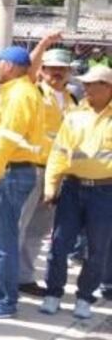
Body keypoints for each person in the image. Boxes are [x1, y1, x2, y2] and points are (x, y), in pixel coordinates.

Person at [0, 45, 45, 319]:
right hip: (11, 171)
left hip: (11, 173)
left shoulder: (20, 95)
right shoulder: (16, 92)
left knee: (4, 240)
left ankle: (5, 300)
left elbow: (8, 140)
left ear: (11, 66)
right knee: (1, 237)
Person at [38, 64, 111, 318]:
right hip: (72, 187)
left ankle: (84, 297)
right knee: (59, 243)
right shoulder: (74, 115)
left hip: (105, 193)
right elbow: (59, 152)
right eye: (85, 84)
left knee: (97, 248)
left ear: (108, 87)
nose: (86, 88)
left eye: (92, 84)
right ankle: (53, 293)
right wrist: (51, 186)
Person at [16, 39, 74, 296]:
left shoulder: (74, 99)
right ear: (41, 70)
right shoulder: (33, 91)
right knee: (17, 226)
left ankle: (24, 277)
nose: (56, 72)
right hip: (31, 168)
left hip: (58, 174)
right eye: (50, 68)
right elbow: (27, 69)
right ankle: (0, 279)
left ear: (70, 72)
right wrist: (44, 43)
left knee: (38, 229)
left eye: (62, 68)